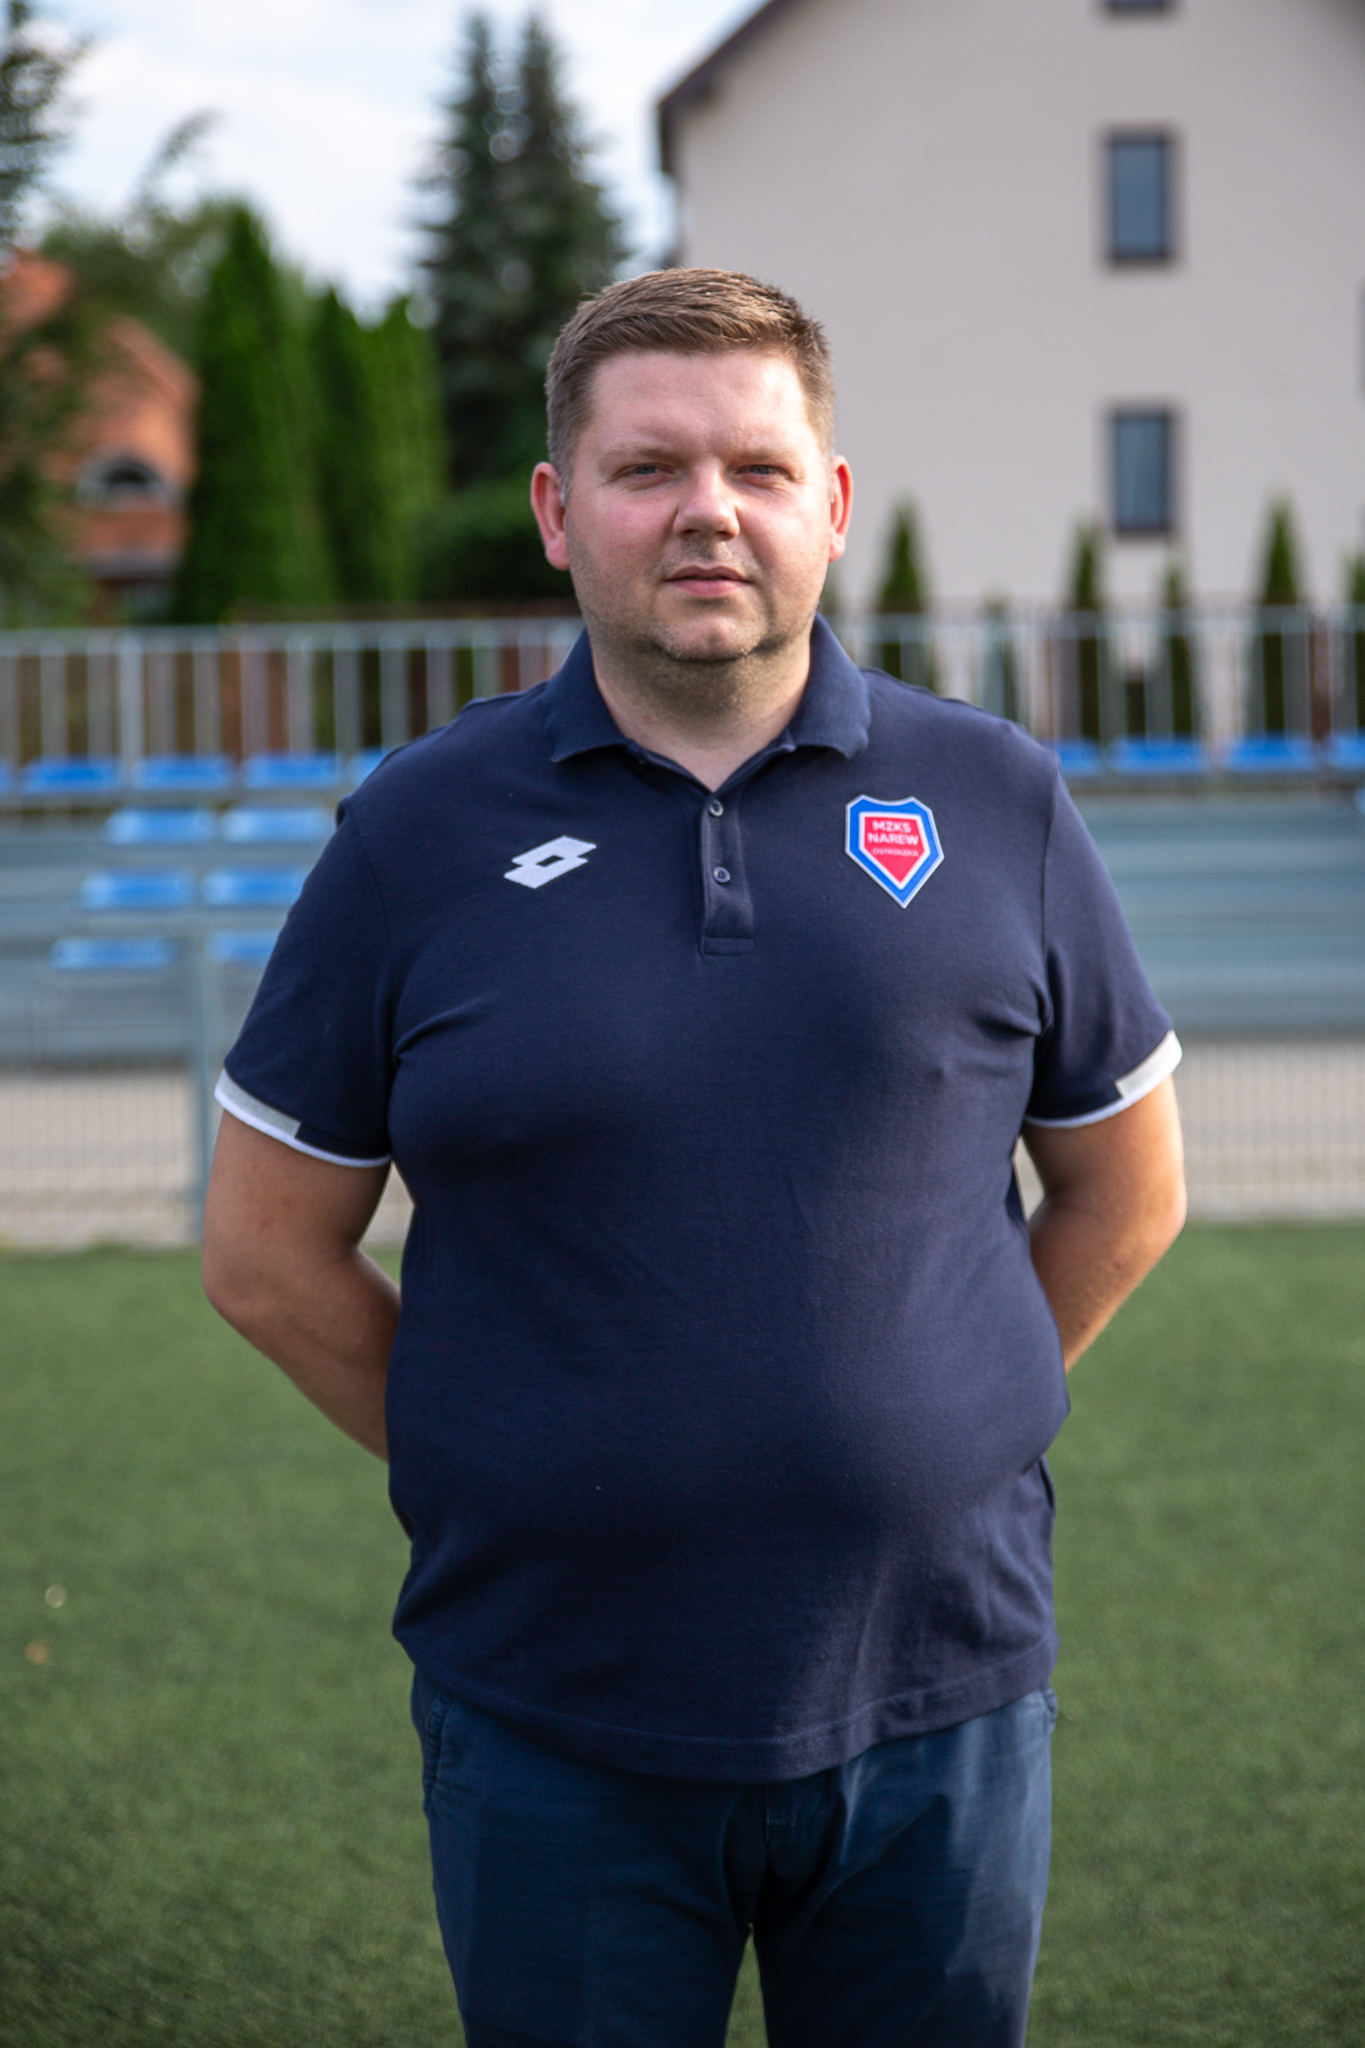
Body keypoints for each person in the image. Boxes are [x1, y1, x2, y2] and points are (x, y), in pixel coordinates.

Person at [202, 268, 1186, 2048]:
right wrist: (506, 1452)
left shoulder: (995, 799)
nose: (706, 511)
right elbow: (265, 1254)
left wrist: (941, 1411)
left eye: (755, 467)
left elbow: (1128, 1187)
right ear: (557, 510)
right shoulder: (419, 829)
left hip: (941, 1691)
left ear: (832, 502)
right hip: (550, 1701)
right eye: (647, 468)